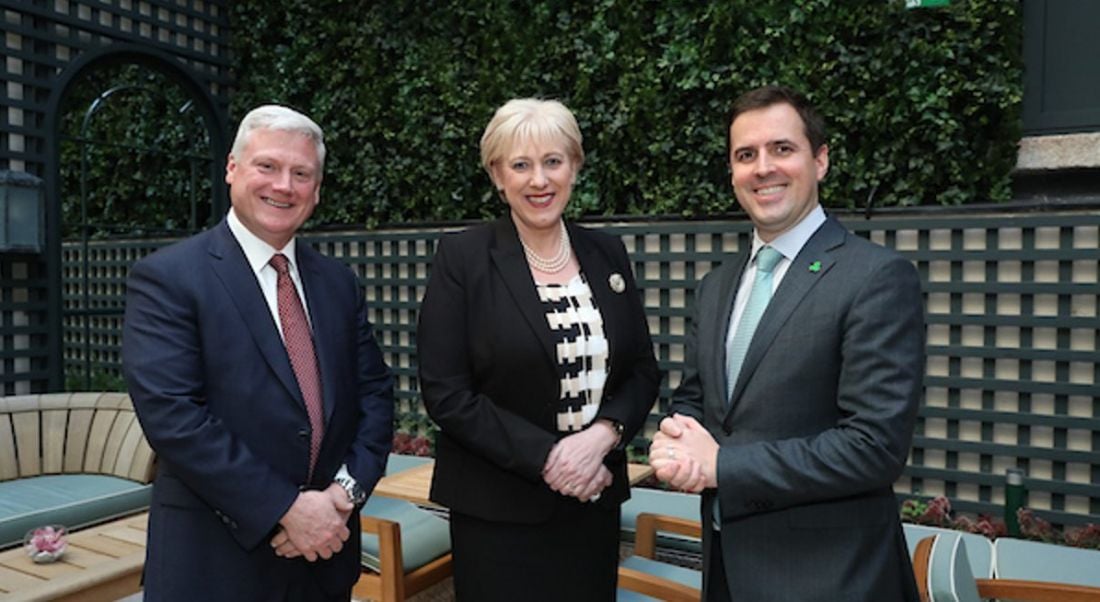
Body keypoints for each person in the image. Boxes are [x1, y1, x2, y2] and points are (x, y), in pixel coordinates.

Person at [649, 85, 925, 601]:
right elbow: (704, 398)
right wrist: (676, 437)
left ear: (820, 160)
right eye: (745, 155)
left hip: (832, 579)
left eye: (782, 149)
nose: (762, 168)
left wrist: (720, 466)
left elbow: (874, 447)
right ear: (732, 172)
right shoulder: (717, 286)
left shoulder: (876, 278)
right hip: (728, 570)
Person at [122, 105, 395, 601]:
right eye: (267, 166)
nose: (283, 185)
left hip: (323, 563)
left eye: (301, 173)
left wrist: (342, 497)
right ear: (232, 169)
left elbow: (374, 396)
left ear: (317, 189)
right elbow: (174, 417)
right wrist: (285, 509)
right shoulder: (168, 279)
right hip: (214, 565)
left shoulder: (338, 284)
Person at [416, 98, 660, 601]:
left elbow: (640, 370)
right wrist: (549, 457)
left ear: (575, 166)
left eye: (553, 161)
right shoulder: (462, 257)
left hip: (592, 500)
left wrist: (603, 436)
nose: (539, 180)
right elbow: (446, 393)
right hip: (497, 513)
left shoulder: (607, 253)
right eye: (520, 165)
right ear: (497, 175)